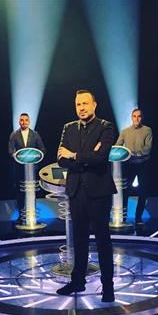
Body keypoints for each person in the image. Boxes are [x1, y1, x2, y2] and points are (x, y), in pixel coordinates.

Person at [56, 90, 117, 302]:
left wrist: (74, 155)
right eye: (78, 104)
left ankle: (108, 288)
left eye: (85, 103)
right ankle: (77, 281)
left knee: (103, 241)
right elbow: (61, 159)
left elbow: (101, 158)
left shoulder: (105, 127)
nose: (81, 108)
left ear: (94, 105)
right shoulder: (69, 128)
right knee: (79, 241)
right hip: (76, 192)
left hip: (99, 192)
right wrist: (86, 158)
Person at [8, 113, 47, 222]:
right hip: (19, 169)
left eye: (26, 120)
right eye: (22, 120)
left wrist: (35, 156)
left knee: (32, 191)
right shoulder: (14, 135)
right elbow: (10, 150)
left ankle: (32, 214)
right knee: (20, 192)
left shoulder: (35, 134)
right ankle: (21, 215)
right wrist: (15, 155)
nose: (24, 122)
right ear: (19, 122)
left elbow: (43, 149)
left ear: (29, 122)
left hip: (32, 169)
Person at [116, 108, 152, 226]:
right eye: (134, 116)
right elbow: (117, 147)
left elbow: (148, 148)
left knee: (143, 192)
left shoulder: (147, 130)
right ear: (131, 118)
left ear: (142, 117)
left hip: (143, 165)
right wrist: (120, 153)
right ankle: (123, 217)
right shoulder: (125, 131)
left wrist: (135, 153)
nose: (137, 118)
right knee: (125, 191)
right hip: (129, 165)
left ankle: (138, 218)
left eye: (139, 116)